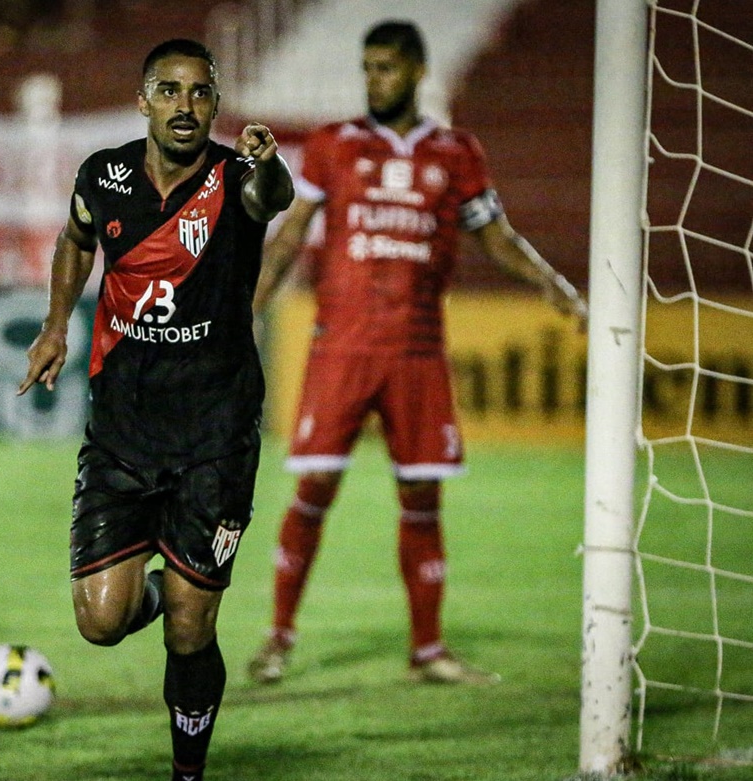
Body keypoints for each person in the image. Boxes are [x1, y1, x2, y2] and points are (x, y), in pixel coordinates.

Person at [246, 20, 589, 686]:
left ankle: (428, 648)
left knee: (422, 495)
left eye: (387, 67)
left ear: (417, 71)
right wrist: (248, 310)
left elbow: (496, 235)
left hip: (418, 351)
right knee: (314, 487)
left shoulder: (456, 152)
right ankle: (278, 637)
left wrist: (551, 281)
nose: (375, 79)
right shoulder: (333, 144)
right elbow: (290, 236)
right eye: (368, 67)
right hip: (342, 345)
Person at [18, 38, 293, 781]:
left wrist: (269, 163)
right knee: (101, 620)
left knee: (190, 629)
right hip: (124, 432)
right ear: (143, 101)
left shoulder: (237, 178)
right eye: (169, 90)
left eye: (201, 92)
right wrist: (55, 325)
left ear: (216, 104)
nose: (185, 105)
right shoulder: (102, 176)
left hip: (215, 436)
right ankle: (162, 586)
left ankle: (187, 772)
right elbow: (75, 240)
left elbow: (275, 199)